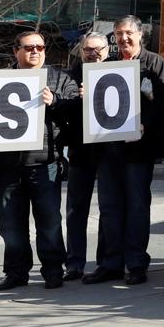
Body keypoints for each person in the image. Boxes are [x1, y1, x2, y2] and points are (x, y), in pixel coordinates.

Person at [82, 16, 164, 286]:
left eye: (128, 33)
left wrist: (146, 124)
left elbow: (163, 102)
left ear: (140, 34)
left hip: (139, 150)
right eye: (119, 34)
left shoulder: (155, 63)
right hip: (109, 149)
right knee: (109, 208)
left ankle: (135, 263)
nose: (124, 39)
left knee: (136, 207)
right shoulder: (107, 65)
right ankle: (110, 263)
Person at [0, 31, 78, 291]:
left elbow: (76, 112)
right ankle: (16, 271)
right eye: (29, 47)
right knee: (10, 223)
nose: (36, 51)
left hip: (44, 161)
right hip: (7, 164)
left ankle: (52, 270)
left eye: (40, 47)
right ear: (15, 51)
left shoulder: (61, 78)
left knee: (49, 220)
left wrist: (56, 102)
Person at [62, 32, 108, 281]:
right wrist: (77, 100)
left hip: (108, 151)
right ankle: (74, 263)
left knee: (107, 208)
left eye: (98, 49)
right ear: (81, 51)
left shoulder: (116, 73)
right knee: (76, 210)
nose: (94, 54)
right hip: (80, 151)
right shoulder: (69, 77)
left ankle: (104, 262)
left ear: (107, 50)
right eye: (88, 50)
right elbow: (61, 110)